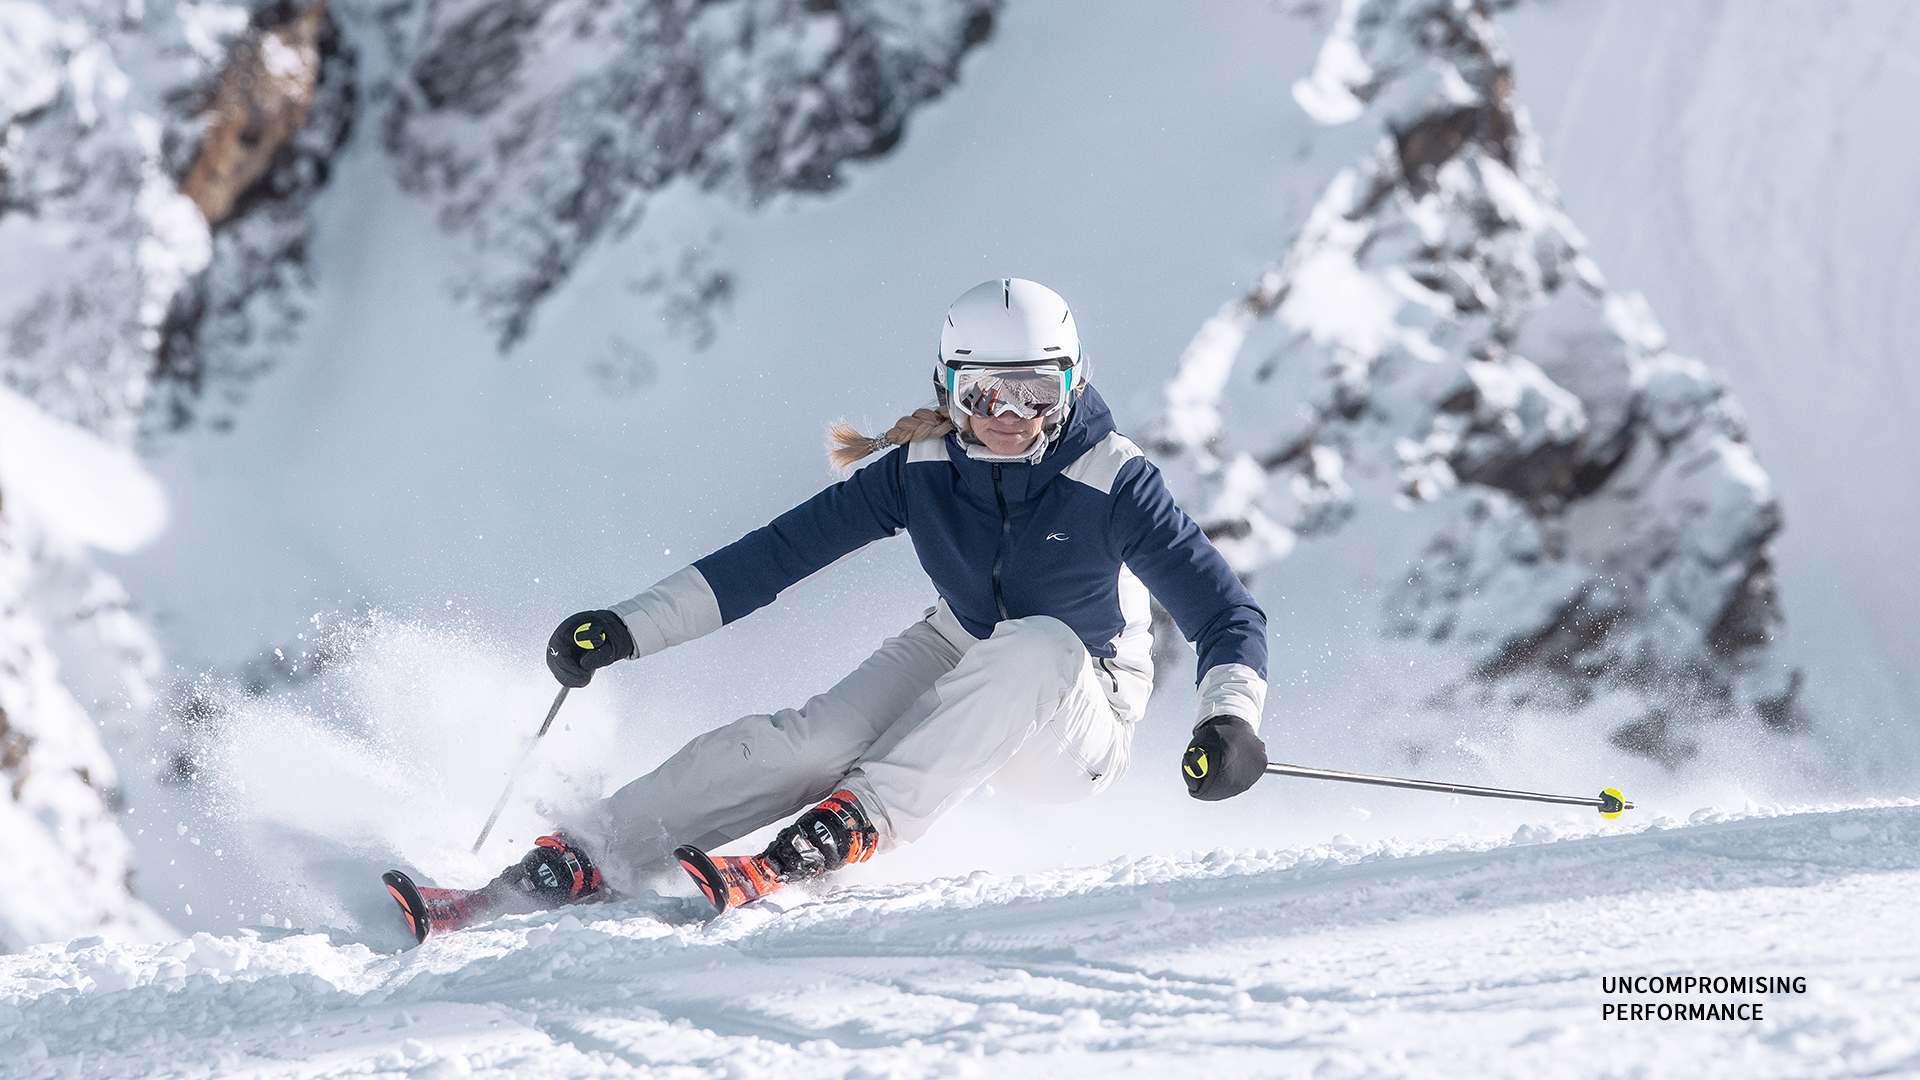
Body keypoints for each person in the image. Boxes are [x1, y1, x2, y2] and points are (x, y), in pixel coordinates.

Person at [497, 278, 1270, 916]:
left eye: (1036, 392)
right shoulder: (921, 467)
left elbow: (1223, 613)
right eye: (985, 393)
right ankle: (596, 850)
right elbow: (775, 556)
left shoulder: (1112, 479)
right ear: (948, 388)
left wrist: (1228, 723)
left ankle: (856, 824)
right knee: (809, 743)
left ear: (1072, 384)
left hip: (1078, 706)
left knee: (1037, 645)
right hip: (958, 643)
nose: (1010, 417)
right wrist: (629, 627)